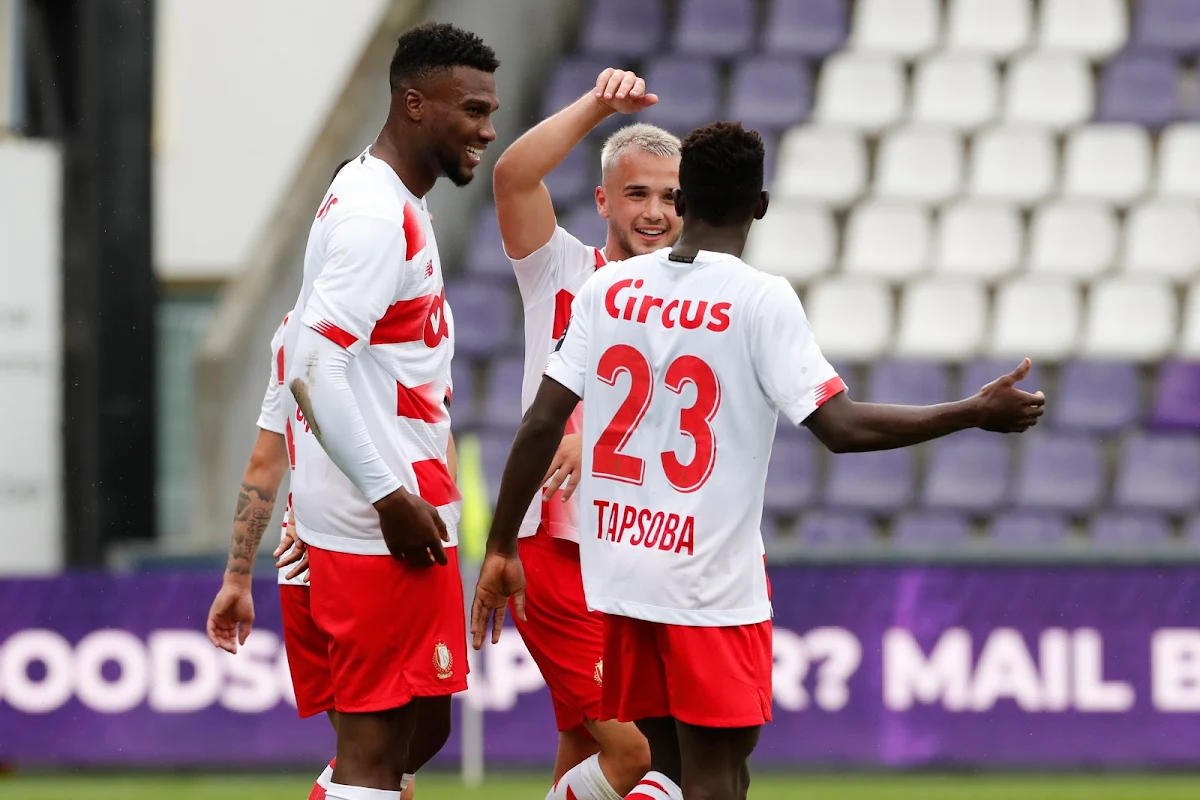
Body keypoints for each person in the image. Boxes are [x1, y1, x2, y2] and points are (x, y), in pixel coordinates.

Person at [470, 121, 1046, 800]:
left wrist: (503, 543)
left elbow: (540, 421)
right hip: (708, 580)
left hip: (625, 573)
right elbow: (840, 427)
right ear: (761, 205)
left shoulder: (609, 292)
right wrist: (971, 412)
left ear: (680, 201)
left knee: (663, 770)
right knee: (719, 774)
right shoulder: (759, 298)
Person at [284, 22, 499, 800]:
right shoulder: (376, 217)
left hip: (393, 508)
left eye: (490, 109)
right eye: (471, 109)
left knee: (424, 727)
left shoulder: (387, 198)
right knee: (375, 749)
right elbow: (312, 362)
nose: (487, 127)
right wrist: (386, 495)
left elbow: (296, 342)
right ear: (415, 104)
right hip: (379, 524)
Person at [489, 67, 679, 799]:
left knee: (581, 746)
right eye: (637, 192)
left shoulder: (692, 310)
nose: (655, 211)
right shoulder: (561, 270)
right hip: (553, 547)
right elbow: (511, 176)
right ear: (604, 199)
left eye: (670, 196)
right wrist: (599, 104)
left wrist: (595, 435)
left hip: (633, 552)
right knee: (637, 757)